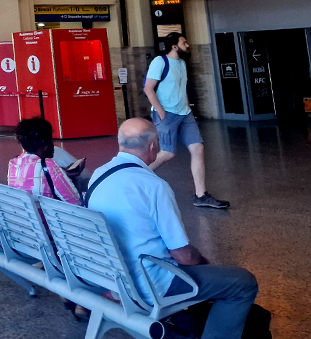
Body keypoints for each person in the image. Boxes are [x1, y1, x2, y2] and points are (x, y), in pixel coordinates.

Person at [88, 119, 258, 339]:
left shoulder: (98, 175)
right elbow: (183, 255)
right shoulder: (153, 186)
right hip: (152, 284)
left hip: (112, 278)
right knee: (242, 282)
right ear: (152, 147)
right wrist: (204, 263)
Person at [143, 32, 229, 209]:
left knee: (198, 148)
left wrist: (188, 106)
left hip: (185, 113)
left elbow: (181, 88)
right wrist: (161, 112)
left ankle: (201, 195)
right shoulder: (160, 62)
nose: (187, 45)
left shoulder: (181, 63)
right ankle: (135, 176)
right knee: (168, 153)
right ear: (174, 46)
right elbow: (148, 88)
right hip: (166, 113)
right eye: (184, 43)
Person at [7, 118, 81, 204]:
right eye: (51, 140)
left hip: (26, 214)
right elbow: (75, 202)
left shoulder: (14, 163)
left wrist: (63, 173)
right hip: (47, 216)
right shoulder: (48, 165)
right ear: (46, 145)